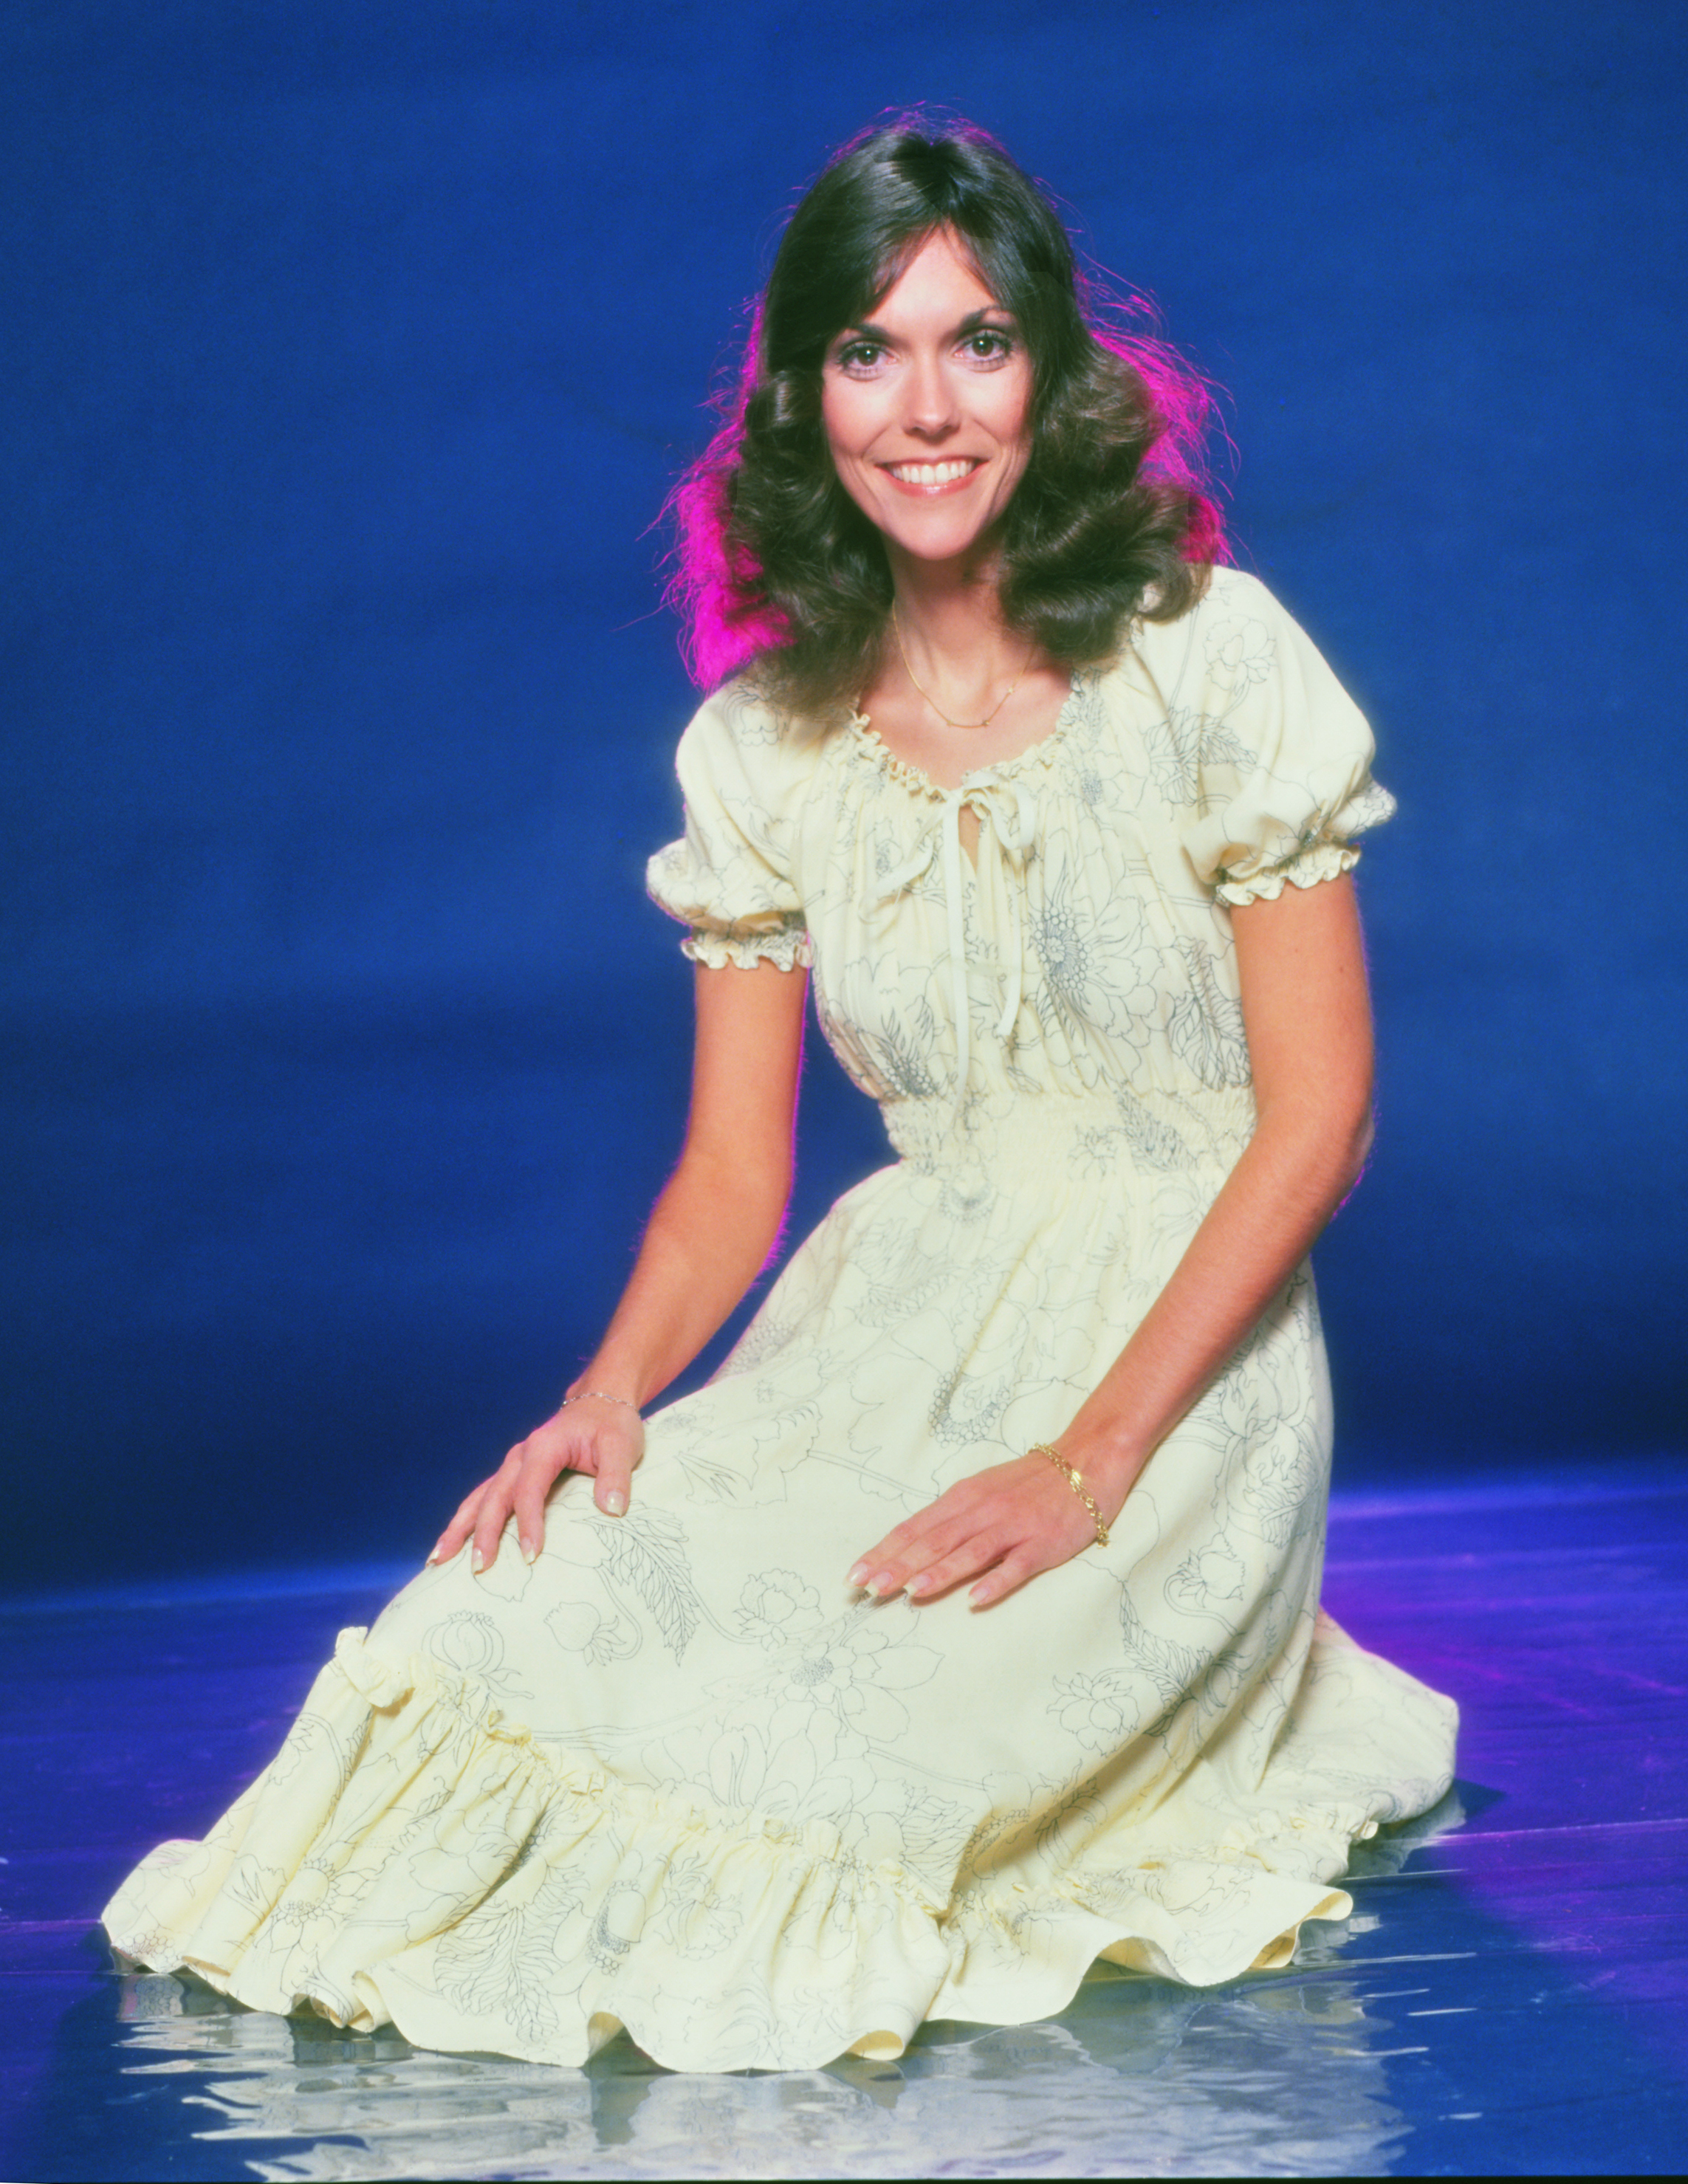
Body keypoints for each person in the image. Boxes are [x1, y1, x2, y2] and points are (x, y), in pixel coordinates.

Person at [103, 120, 1458, 2074]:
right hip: (891, 1329)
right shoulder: (759, 746)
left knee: (843, 1747)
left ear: (1051, 374)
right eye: (870, 350)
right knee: (499, 1626)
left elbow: (1317, 1122)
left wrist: (1084, 1469)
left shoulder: (1210, 662)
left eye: (976, 346)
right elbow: (731, 1174)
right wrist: (603, 1395)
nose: (927, 408)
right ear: (802, 393)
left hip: (1181, 1364)